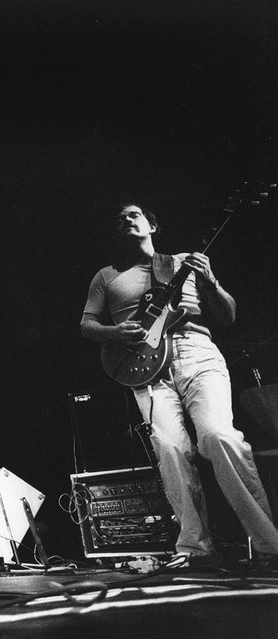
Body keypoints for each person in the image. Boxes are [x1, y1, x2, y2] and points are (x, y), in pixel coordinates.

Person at [80, 201, 278, 566]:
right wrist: (115, 331)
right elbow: (87, 324)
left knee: (218, 436)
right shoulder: (106, 276)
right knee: (169, 448)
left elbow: (228, 315)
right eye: (120, 217)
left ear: (152, 226)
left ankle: (270, 545)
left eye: (134, 214)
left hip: (196, 352)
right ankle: (195, 548)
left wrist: (211, 282)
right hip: (144, 368)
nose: (126, 219)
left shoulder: (184, 261)